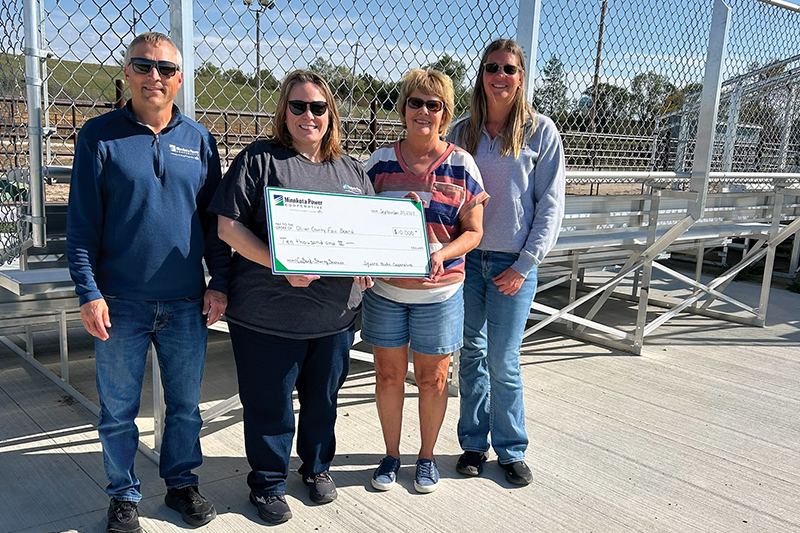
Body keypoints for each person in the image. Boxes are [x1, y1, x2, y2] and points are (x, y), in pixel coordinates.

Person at [66, 32, 230, 533]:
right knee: (118, 411)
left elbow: (214, 225)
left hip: (185, 302)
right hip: (120, 304)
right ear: (127, 74)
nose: (154, 76)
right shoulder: (99, 136)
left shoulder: (199, 140)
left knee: (185, 408)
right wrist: (89, 292)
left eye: (165, 69)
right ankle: (123, 496)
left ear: (180, 79)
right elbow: (82, 225)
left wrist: (219, 281)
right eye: (143, 66)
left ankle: (181, 485)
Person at [208, 70, 374, 525]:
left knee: (323, 401)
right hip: (268, 316)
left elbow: (367, 232)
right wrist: (278, 262)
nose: (308, 115)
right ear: (284, 111)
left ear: (331, 114)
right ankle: (267, 483)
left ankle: (316, 468)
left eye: (318, 107)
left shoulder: (350, 170)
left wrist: (368, 261)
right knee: (270, 406)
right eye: (298, 106)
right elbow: (228, 228)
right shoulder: (260, 160)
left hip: (334, 318)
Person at [362, 69, 489, 494]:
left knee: (433, 379)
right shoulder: (378, 163)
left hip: (440, 291)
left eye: (433, 105)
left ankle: (427, 456)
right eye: (415, 102)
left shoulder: (461, 164)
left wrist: (443, 253)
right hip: (387, 292)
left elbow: (473, 232)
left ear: (445, 114)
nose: (423, 111)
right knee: (388, 376)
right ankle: (390, 455)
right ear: (403, 109)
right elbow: (359, 220)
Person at [448, 38, 565, 485]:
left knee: (504, 359)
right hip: (467, 259)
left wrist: (524, 263)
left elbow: (549, 204)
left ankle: (511, 449)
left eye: (509, 69)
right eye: (492, 68)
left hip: (512, 264)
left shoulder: (540, 131)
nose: (500, 76)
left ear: (521, 77)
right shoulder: (462, 132)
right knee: (471, 355)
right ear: (482, 75)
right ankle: (473, 444)